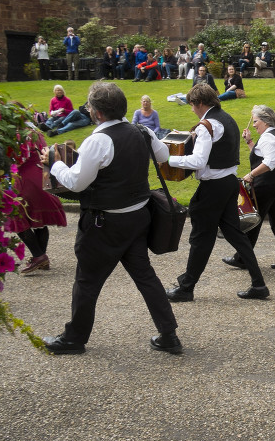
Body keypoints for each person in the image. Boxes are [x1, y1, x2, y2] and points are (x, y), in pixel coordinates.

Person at [39, 81, 182, 355]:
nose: (89, 111)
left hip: (104, 224)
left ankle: (74, 339)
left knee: (87, 281)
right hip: (138, 218)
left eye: (91, 108)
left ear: (98, 113)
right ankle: (169, 334)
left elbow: (77, 182)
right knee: (145, 277)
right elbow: (163, 154)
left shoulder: (98, 140)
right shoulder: (142, 130)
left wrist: (54, 163)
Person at [165, 83, 270, 303]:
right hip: (229, 183)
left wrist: (168, 159)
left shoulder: (207, 125)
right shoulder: (227, 118)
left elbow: (198, 161)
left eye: (193, 105)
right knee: (235, 235)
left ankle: (186, 288)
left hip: (213, 187)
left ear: (200, 103)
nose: (192, 109)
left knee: (201, 238)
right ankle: (259, 284)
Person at [222, 105, 275, 270]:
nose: (254, 124)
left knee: (253, 221)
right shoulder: (272, 135)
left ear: (265, 121)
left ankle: (242, 258)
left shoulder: (268, 138)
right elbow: (261, 155)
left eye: (255, 121)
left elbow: (269, 162)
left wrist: (251, 175)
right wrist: (249, 142)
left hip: (267, 184)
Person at [8, 122, 67, 274]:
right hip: (41, 176)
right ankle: (41, 258)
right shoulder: (35, 131)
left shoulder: (17, 135)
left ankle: (39, 256)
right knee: (39, 220)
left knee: (18, 218)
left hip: (25, 179)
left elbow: (16, 159)